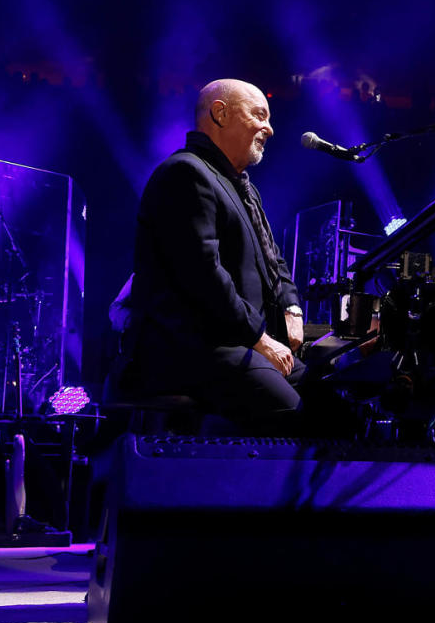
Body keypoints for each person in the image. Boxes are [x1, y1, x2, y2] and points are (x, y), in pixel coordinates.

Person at [121, 79, 305, 428]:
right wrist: (260, 340)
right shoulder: (186, 174)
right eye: (259, 115)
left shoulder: (240, 186)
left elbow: (274, 259)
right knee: (295, 413)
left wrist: (291, 307)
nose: (270, 128)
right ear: (219, 114)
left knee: (329, 394)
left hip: (234, 344)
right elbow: (203, 277)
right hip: (192, 350)